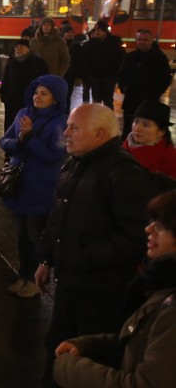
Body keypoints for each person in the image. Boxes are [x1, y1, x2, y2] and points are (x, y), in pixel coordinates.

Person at [34, 104, 160, 387]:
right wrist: (46, 259)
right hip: (69, 281)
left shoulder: (122, 172)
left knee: (89, 358)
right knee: (57, 345)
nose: (66, 133)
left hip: (102, 290)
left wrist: (86, 256)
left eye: (74, 127)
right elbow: (58, 216)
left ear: (100, 133)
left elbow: (139, 234)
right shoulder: (76, 163)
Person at [52, 191, 176, 387]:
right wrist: (88, 347)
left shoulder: (170, 301)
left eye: (161, 227)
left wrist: (67, 367)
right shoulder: (159, 281)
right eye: (152, 221)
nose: (148, 229)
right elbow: (138, 343)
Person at [0, 75, 68, 299]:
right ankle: (23, 274)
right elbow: (4, 141)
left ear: (56, 99)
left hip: (41, 186)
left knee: (35, 235)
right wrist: (19, 142)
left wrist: (28, 139)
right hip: (19, 184)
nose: (38, 96)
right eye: (37, 92)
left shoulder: (60, 122)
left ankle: (35, 280)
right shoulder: (23, 113)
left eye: (44, 93)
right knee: (20, 235)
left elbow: (55, 155)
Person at [117, 29, 173, 139]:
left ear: (151, 41)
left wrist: (156, 93)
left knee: (146, 126)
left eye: (145, 39)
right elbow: (121, 74)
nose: (142, 42)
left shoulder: (159, 58)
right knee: (129, 126)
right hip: (131, 98)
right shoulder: (130, 57)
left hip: (149, 99)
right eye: (139, 39)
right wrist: (124, 88)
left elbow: (165, 78)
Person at [0, 39, 49, 132]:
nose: (18, 49)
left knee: (26, 126)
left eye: (21, 46)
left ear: (28, 49)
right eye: (16, 47)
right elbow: (6, 80)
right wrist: (4, 95)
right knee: (11, 126)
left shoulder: (37, 62)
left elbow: (44, 81)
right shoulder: (12, 63)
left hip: (29, 102)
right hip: (12, 102)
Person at [122, 100, 176, 179]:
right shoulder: (126, 145)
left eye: (146, 125)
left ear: (161, 132)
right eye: (136, 122)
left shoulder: (171, 158)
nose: (137, 128)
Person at [85, 21, 125, 110]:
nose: (96, 32)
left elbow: (120, 59)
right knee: (96, 100)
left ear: (105, 31)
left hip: (109, 76)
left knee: (108, 100)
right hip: (95, 75)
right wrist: (89, 71)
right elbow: (87, 58)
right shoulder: (92, 43)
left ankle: (108, 119)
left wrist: (115, 71)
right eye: (95, 30)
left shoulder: (114, 43)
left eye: (99, 30)